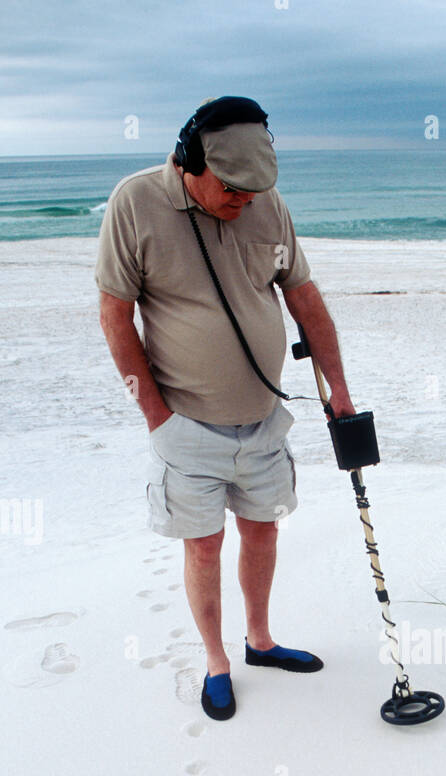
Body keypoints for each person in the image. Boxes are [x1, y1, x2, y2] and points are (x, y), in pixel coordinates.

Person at [96, 96, 355, 721]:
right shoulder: (134, 204)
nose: (246, 202)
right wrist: (155, 416)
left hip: (265, 421)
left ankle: (260, 641)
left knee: (263, 531)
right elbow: (114, 315)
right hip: (186, 427)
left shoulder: (266, 205)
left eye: (255, 191)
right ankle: (217, 660)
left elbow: (305, 298)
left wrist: (339, 388)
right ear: (191, 161)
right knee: (204, 546)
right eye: (233, 190)